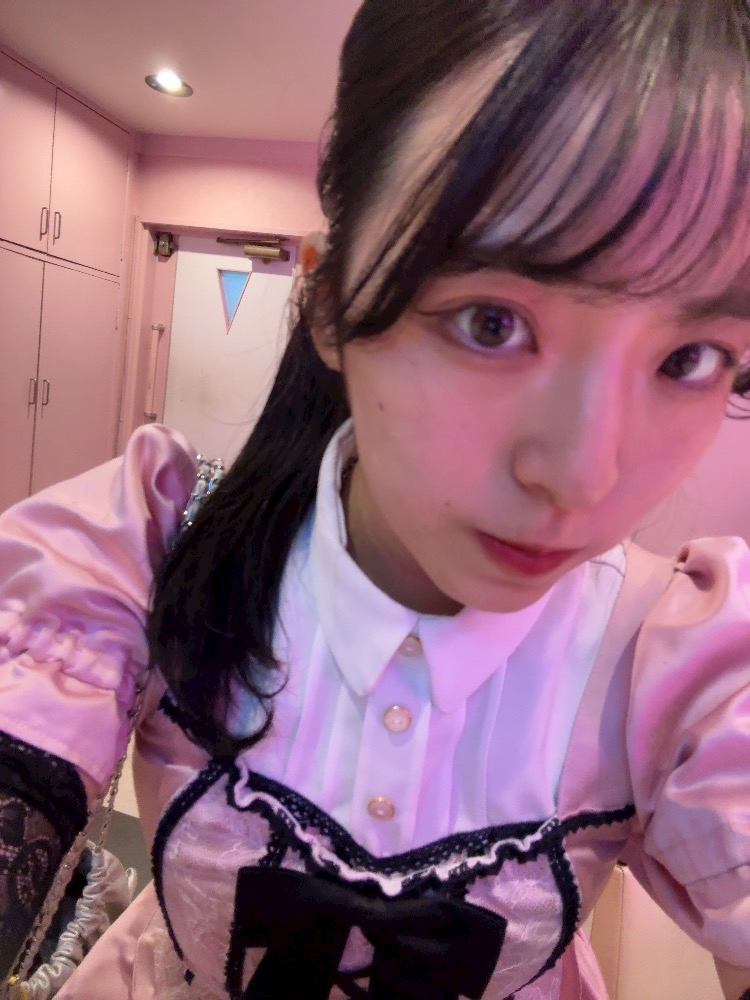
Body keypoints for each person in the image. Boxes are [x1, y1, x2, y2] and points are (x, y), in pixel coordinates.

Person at [1, 1, 750, 997]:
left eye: (689, 357)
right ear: (329, 303)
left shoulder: (686, 666)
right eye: (491, 322)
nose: (582, 478)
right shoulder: (146, 545)